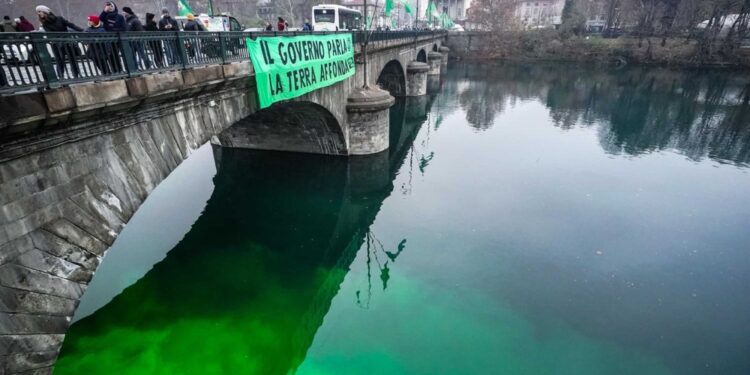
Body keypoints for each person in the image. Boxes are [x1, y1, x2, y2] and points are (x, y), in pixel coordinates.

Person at [36, 5, 83, 79]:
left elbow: (71, 25)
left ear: (45, 12)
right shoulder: (45, 24)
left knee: (72, 59)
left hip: (67, 42)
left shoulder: (59, 19)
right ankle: (61, 77)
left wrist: (81, 30)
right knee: (59, 61)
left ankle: (76, 76)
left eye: (39, 11)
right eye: (37, 12)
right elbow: (50, 35)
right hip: (56, 44)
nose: (38, 13)